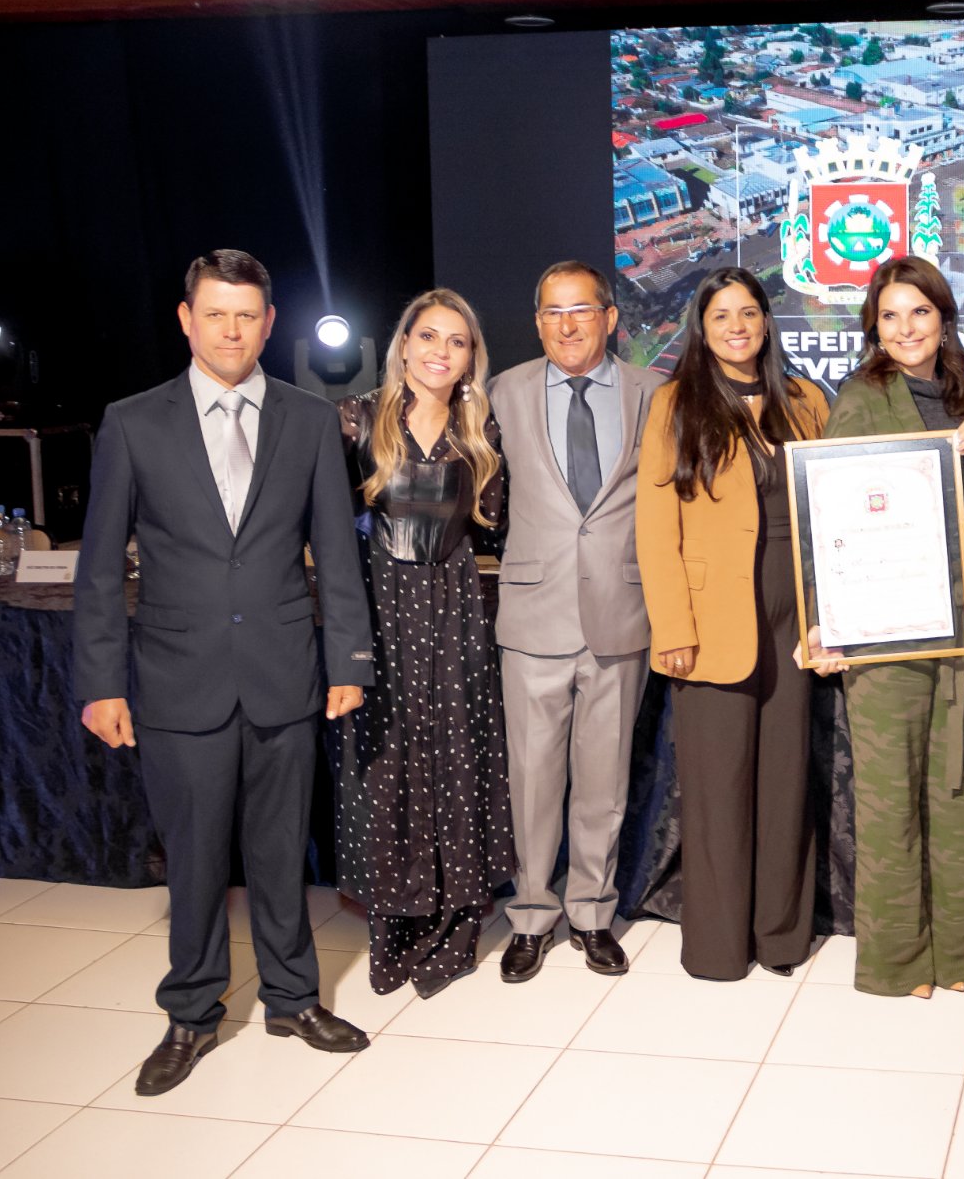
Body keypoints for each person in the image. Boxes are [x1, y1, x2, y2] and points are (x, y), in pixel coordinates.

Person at [72, 250, 374, 1097]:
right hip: (176, 678)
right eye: (217, 314)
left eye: (248, 315)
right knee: (197, 859)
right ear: (186, 319)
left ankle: (291, 999)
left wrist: (347, 656)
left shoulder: (311, 420)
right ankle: (192, 1014)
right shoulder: (133, 422)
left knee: (280, 853)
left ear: (270, 323)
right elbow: (98, 568)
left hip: (285, 669)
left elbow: (337, 555)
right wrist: (100, 683)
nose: (233, 330)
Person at [818, 255, 964, 997]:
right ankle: (898, 961)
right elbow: (827, 513)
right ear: (874, 326)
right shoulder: (861, 398)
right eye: (890, 316)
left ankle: (958, 955)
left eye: (919, 313)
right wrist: (827, 620)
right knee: (892, 794)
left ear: (943, 317)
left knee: (962, 789)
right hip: (886, 623)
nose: (906, 328)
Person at [635, 268, 828, 980]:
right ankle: (717, 945)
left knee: (784, 783)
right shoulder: (676, 403)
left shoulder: (806, 400)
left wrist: (828, 615)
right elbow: (656, 529)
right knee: (718, 789)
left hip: (792, 613)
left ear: (767, 322)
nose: (737, 326)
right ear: (702, 327)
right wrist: (673, 627)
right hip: (710, 617)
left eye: (749, 312)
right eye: (722, 316)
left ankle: (780, 936)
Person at [334, 288, 515, 998]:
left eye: (458, 341)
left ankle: (454, 912)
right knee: (387, 767)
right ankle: (395, 921)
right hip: (380, 608)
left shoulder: (483, 432)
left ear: (472, 357)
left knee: (456, 756)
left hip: (457, 607)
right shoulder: (354, 420)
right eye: (429, 336)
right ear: (403, 344)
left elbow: (497, 528)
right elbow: (322, 522)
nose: (442, 351)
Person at [490, 261, 660, 982]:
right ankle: (531, 914)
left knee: (604, 781)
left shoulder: (654, 391)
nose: (567, 325)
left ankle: (592, 911)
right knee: (532, 779)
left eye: (581, 310)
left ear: (610, 317)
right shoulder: (505, 390)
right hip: (533, 615)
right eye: (553, 312)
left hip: (622, 612)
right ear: (537, 322)